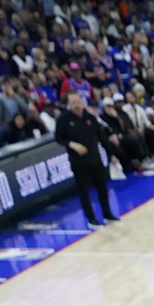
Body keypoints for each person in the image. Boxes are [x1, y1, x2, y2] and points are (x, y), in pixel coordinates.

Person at [51, 91, 117, 229]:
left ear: (82, 102)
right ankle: (91, 218)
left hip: (95, 158)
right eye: (73, 103)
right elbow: (58, 138)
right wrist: (71, 144)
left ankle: (107, 213)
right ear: (69, 104)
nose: (76, 105)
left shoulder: (90, 118)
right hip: (78, 162)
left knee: (102, 188)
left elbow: (102, 137)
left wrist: (111, 154)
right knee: (83, 191)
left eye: (78, 102)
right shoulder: (63, 119)